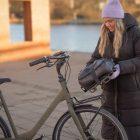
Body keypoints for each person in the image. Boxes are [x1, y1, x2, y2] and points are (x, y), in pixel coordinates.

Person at [86, 0, 140, 139]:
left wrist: (120, 67)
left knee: (130, 133)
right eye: (105, 21)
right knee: (110, 133)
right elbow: (94, 59)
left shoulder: (134, 33)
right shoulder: (104, 35)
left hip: (131, 95)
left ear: (119, 19)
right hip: (108, 94)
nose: (107, 24)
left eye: (110, 21)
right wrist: (88, 73)